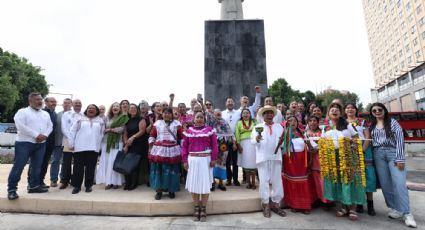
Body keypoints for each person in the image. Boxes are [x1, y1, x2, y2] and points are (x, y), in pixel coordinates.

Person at [369, 103, 417, 228]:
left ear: (384, 110)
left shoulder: (393, 123)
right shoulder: (372, 125)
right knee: (385, 184)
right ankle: (395, 208)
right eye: (374, 110)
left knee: (399, 183)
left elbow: (400, 139)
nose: (377, 112)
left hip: (393, 153)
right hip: (378, 154)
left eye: (380, 109)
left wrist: (400, 158)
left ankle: (407, 213)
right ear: (372, 113)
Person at [321, 103, 364, 221]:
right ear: (328, 114)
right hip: (332, 157)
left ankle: (353, 208)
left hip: (347, 155)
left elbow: (357, 139)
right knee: (336, 181)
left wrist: (350, 143)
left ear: (340, 113)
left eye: (337, 110)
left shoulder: (348, 125)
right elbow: (323, 142)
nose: (334, 111)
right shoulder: (325, 128)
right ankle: (342, 207)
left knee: (349, 181)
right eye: (332, 110)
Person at [7, 92, 53, 200]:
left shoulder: (45, 114)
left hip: (40, 144)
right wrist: (36, 135)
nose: (40, 101)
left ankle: (33, 186)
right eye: (37, 99)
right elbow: (20, 126)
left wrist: (45, 135)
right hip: (24, 143)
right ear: (30, 101)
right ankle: (12, 190)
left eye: (40, 99)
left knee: (36, 167)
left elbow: (50, 125)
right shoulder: (22, 112)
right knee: (18, 167)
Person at [251, 105, 286, 218]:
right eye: (266, 113)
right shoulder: (257, 127)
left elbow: (283, 143)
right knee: (264, 182)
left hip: (276, 157)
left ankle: (276, 204)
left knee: (277, 181)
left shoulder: (279, 127)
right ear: (263, 116)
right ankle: (265, 204)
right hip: (263, 158)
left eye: (271, 113)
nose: (269, 115)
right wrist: (256, 139)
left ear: (274, 115)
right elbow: (252, 141)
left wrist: (282, 143)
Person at [182, 112, 218, 222]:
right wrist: (184, 160)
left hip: (205, 161)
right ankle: (196, 207)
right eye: (197, 117)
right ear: (194, 119)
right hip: (192, 160)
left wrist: (213, 158)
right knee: (194, 184)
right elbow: (184, 147)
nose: (199, 119)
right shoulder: (188, 132)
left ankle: (203, 208)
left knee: (205, 184)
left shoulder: (209, 130)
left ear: (204, 119)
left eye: (201, 117)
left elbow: (215, 145)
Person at [344, 103, 376, 216]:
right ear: (344, 110)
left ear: (356, 110)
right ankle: (359, 203)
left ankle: (370, 204)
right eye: (347, 108)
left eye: (352, 107)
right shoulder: (342, 122)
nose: (350, 109)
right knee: (356, 177)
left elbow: (367, 137)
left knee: (368, 176)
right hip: (350, 149)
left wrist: (362, 151)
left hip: (364, 149)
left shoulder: (362, 121)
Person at [280, 115, 313, 214]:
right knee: (292, 182)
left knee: (303, 181)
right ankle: (294, 204)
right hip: (290, 161)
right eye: (290, 121)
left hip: (302, 161)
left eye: (294, 120)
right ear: (286, 123)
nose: (292, 122)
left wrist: (310, 159)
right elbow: (281, 149)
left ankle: (305, 205)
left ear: (297, 123)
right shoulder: (284, 134)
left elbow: (310, 146)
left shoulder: (303, 133)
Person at [68, 104, 104, 194]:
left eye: (93, 108)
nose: (91, 110)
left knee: (91, 168)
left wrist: (98, 147)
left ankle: (88, 185)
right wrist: (71, 144)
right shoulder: (79, 119)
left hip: (93, 148)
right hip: (79, 147)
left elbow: (101, 135)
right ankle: (77, 186)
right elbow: (72, 131)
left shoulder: (100, 121)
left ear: (96, 111)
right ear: (86, 110)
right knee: (77, 168)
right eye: (89, 108)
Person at [148, 108, 183, 200]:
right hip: (159, 149)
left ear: (171, 115)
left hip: (173, 150)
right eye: (165, 113)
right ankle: (159, 190)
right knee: (158, 169)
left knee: (172, 170)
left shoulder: (177, 124)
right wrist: (151, 146)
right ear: (162, 114)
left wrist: (184, 148)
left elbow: (182, 137)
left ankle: (171, 190)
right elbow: (152, 135)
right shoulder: (157, 123)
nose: (166, 115)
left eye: (168, 113)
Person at [96, 102, 128, 189]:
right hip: (106, 143)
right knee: (107, 162)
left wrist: (109, 129)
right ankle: (108, 182)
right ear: (111, 108)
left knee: (114, 162)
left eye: (117, 106)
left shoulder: (123, 117)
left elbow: (121, 129)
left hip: (117, 142)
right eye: (114, 106)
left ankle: (116, 182)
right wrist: (106, 130)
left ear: (120, 108)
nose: (115, 108)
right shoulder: (107, 118)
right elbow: (103, 129)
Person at [123, 104, 148, 190]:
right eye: (131, 108)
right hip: (129, 144)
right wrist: (126, 143)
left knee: (134, 165)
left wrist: (133, 137)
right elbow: (125, 133)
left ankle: (133, 183)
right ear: (128, 110)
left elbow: (142, 131)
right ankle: (127, 182)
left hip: (139, 144)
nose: (132, 109)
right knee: (127, 164)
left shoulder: (141, 119)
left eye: (134, 108)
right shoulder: (127, 120)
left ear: (137, 110)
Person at [59, 99, 83, 189]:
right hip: (67, 140)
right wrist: (71, 139)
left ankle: (75, 181)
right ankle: (64, 181)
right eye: (76, 103)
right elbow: (63, 128)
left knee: (78, 162)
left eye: (79, 103)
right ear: (72, 104)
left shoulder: (84, 115)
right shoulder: (66, 114)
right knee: (66, 162)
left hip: (80, 142)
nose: (78, 104)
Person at [50, 98, 72, 188]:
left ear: (71, 104)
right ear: (62, 104)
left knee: (66, 162)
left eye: (68, 103)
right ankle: (53, 180)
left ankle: (64, 179)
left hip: (68, 142)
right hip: (58, 142)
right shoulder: (58, 114)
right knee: (55, 160)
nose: (66, 104)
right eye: (64, 103)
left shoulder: (74, 115)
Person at [211, 109, 235, 191]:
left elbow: (231, 133)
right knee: (213, 163)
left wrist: (234, 142)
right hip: (213, 145)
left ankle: (221, 183)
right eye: (216, 113)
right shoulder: (211, 123)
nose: (218, 114)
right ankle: (212, 182)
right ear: (213, 114)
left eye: (219, 113)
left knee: (222, 163)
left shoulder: (225, 122)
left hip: (224, 145)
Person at [305, 116, 327, 205]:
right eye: (310, 120)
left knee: (322, 180)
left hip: (321, 157)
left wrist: (317, 149)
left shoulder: (322, 132)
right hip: (310, 157)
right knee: (313, 179)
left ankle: (325, 201)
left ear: (318, 123)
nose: (312, 122)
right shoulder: (305, 133)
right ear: (308, 123)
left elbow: (326, 143)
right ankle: (315, 199)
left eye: (314, 121)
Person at [38, 96, 57, 189]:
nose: (53, 103)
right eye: (51, 101)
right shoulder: (42, 113)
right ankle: (33, 182)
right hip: (41, 142)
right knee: (37, 162)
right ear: (45, 103)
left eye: (55, 101)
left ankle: (41, 181)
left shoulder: (54, 114)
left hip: (50, 142)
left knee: (45, 162)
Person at [235, 108, 257, 189]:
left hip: (253, 143)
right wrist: (238, 144)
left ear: (250, 114)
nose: (245, 114)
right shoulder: (239, 123)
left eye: (247, 113)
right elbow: (237, 133)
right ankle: (248, 183)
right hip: (243, 144)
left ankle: (254, 182)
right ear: (241, 115)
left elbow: (258, 131)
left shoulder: (254, 122)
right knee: (246, 163)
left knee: (253, 163)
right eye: (244, 113)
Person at [221, 97, 241, 186]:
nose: (230, 103)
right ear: (225, 103)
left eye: (231, 101)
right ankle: (229, 179)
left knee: (235, 161)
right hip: (225, 140)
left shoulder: (238, 113)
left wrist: (236, 141)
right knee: (227, 161)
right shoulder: (222, 113)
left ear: (234, 103)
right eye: (228, 101)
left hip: (235, 139)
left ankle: (236, 179)